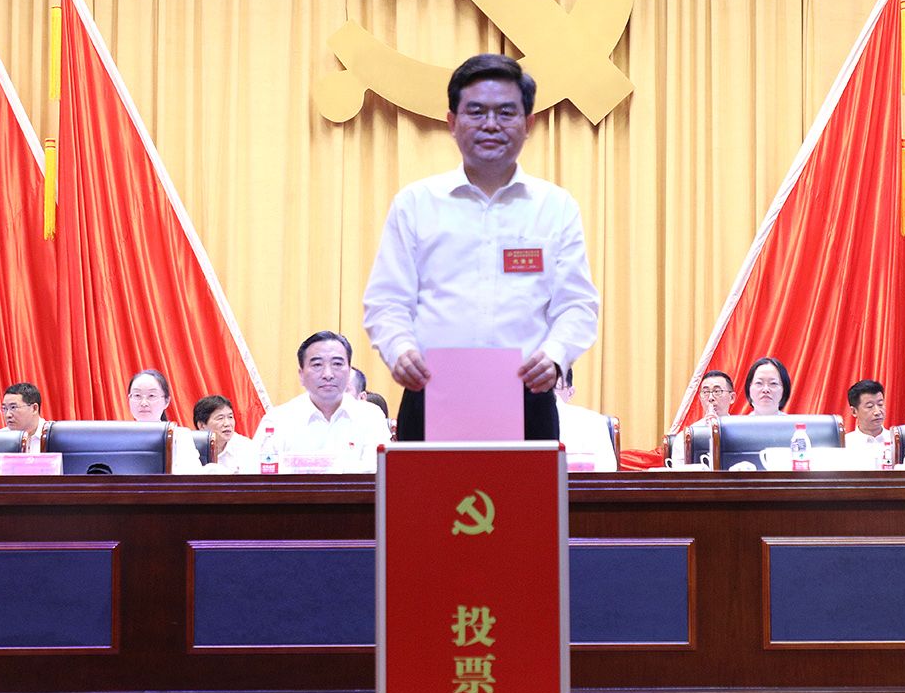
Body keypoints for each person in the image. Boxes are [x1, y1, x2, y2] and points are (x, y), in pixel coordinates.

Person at [363, 53, 600, 442]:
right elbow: (386, 300)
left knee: (526, 487)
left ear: (528, 124)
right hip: (431, 390)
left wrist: (556, 356)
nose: (491, 124)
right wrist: (399, 350)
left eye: (506, 112)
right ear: (452, 122)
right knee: (427, 487)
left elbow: (577, 304)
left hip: (528, 395)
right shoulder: (416, 204)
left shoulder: (555, 207)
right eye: (476, 112)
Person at [250, 331, 388, 473]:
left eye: (337, 364)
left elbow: (379, 471)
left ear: (349, 371)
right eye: (317, 365)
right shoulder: (277, 420)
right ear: (301, 375)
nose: (328, 374)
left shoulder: (371, 416)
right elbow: (255, 473)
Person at [126, 368, 204, 473]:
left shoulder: (180, 436)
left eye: (151, 396)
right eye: (137, 396)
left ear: (166, 401)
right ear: (129, 400)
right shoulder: (120, 436)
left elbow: (192, 475)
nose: (144, 403)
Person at [556, 367, 618, 471]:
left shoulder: (593, 422)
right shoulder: (526, 422)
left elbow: (607, 469)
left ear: (570, 393)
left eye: (555, 388)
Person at [193, 394, 255, 471]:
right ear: (202, 426)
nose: (227, 424)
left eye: (230, 417)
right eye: (220, 418)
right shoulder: (189, 448)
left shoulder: (247, 447)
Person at [844, 379, 892, 463]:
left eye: (880, 404)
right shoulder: (845, 445)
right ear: (854, 411)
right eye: (870, 406)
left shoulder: (897, 442)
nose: (877, 412)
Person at [0, 382, 45, 452]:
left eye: (13, 407)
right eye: (4, 408)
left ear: (34, 408)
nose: (8, 415)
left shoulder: (54, 437)